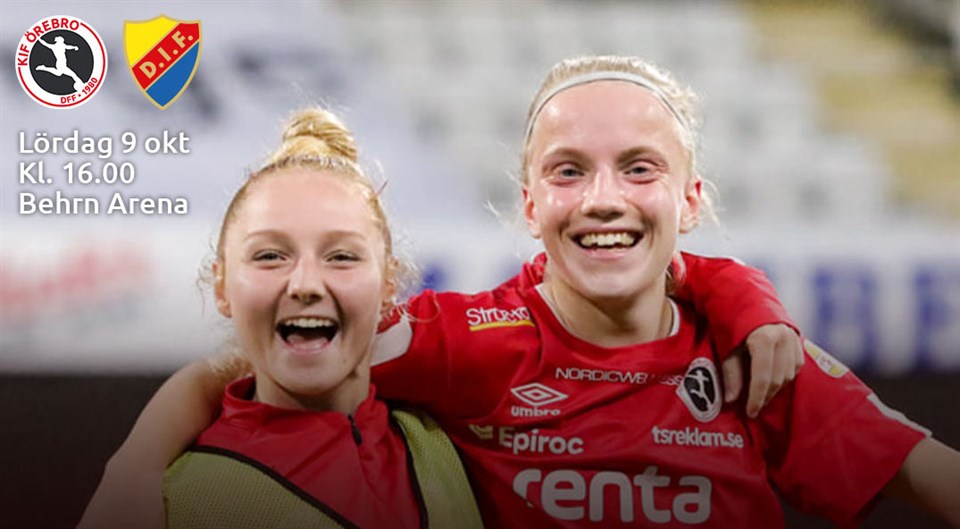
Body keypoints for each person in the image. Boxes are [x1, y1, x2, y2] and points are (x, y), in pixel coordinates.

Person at [82, 54, 931, 529]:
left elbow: (934, 476)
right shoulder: (462, 339)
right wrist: (132, 466)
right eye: (569, 170)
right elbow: (282, 343)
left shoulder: (758, 358)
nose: (603, 197)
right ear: (529, 204)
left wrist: (739, 289)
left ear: (691, 200)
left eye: (640, 169)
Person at [148, 108, 482, 528]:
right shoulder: (184, 503)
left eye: (341, 256)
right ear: (222, 286)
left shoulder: (451, 440)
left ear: (389, 284)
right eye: (270, 256)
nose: (305, 284)